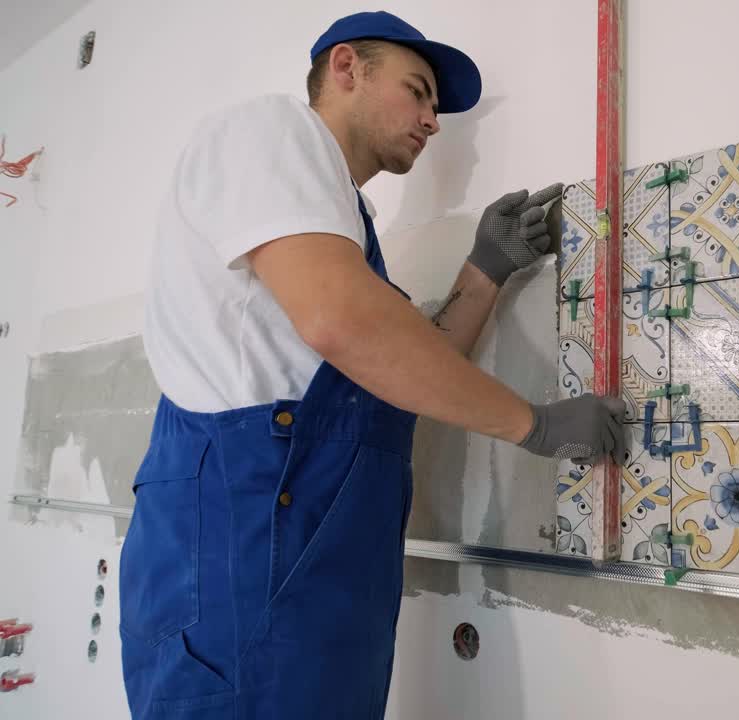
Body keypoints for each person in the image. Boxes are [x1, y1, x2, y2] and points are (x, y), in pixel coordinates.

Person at [119, 10, 625, 718]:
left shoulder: (337, 226)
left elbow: (396, 373)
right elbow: (343, 324)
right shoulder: (271, 128)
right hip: (244, 545)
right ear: (346, 68)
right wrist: (533, 424)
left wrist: (485, 271)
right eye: (418, 91)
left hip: (316, 563)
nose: (433, 121)